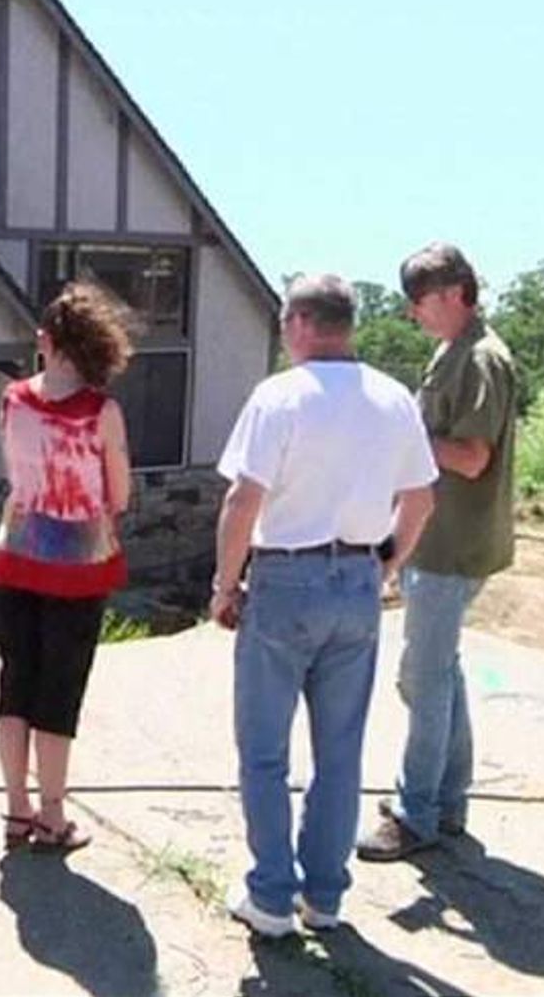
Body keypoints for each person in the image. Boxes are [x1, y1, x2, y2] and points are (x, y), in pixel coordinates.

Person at [212, 274, 437, 936]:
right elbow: (421, 499)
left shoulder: (280, 397)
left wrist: (226, 585)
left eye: (285, 323)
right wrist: (386, 564)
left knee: (264, 750)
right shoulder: (392, 399)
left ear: (303, 323)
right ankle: (326, 896)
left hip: (286, 576)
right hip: (357, 580)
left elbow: (242, 501)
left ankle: (272, 895)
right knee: (339, 750)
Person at [357, 243, 518, 862]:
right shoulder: (454, 351)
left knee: (422, 678)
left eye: (418, 301)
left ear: (453, 293)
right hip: (439, 538)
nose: (413, 314)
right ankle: (447, 802)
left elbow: (473, 458)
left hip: (454, 545)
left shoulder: (480, 359)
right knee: (438, 671)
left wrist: (405, 434)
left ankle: (415, 813)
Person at [0, 281, 134, 853]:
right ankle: (53, 815)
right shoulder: (103, 411)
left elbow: (15, 474)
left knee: (15, 684)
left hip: (16, 552)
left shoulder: (13, 399)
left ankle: (15, 811)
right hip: (78, 566)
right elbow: (117, 493)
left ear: (45, 340)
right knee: (59, 690)